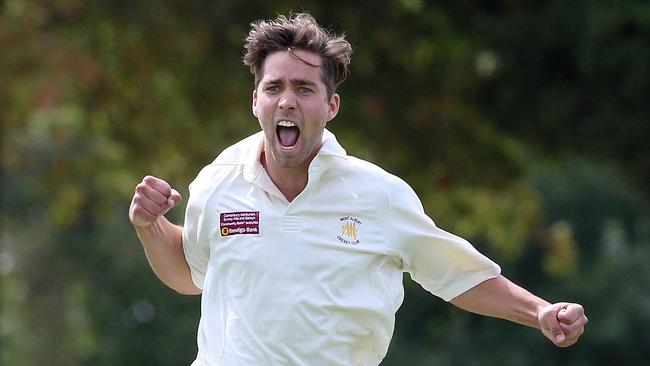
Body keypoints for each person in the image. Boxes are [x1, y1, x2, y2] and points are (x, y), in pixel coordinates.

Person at [129, 13, 587, 366]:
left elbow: (459, 275)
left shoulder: (378, 195)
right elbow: (189, 275)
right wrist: (150, 225)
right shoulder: (218, 180)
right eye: (275, 87)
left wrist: (540, 312)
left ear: (331, 106)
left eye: (304, 89)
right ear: (256, 101)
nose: (287, 100)